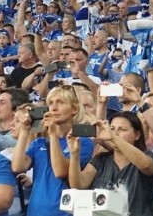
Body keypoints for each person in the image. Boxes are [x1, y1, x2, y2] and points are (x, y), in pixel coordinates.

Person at [11, 86, 95, 216]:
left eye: (60, 102)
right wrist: (24, 130)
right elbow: (17, 166)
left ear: (74, 109)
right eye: (50, 103)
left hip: (63, 212)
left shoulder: (83, 142)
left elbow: (60, 172)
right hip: (35, 211)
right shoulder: (40, 142)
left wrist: (53, 135)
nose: (54, 108)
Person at [68, 112, 153, 216]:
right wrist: (74, 154)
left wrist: (113, 137)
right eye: (112, 128)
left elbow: (145, 165)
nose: (115, 133)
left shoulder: (147, 156)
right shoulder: (101, 159)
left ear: (137, 135)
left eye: (122, 129)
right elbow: (78, 185)